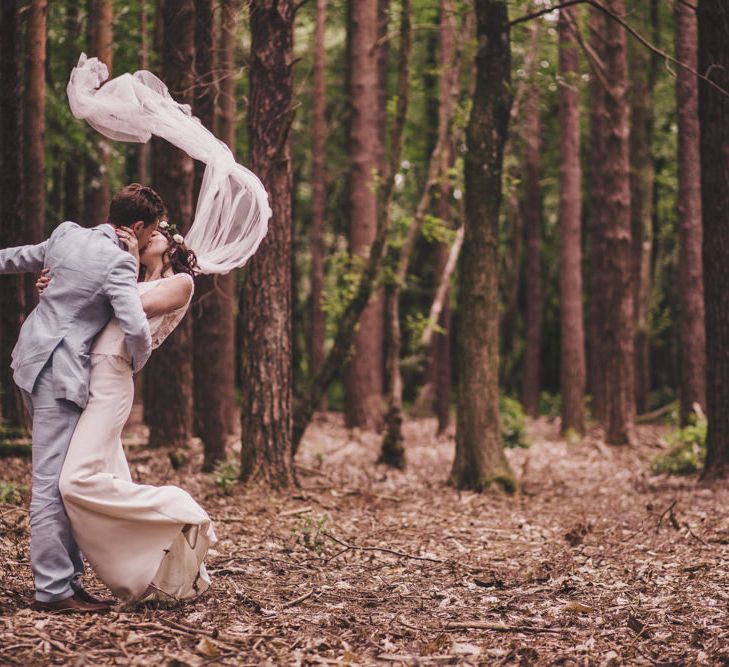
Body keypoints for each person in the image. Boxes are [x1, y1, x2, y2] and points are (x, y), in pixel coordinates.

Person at [0, 183, 162, 612]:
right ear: (138, 226)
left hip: (30, 361)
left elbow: (15, 257)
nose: (150, 241)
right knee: (53, 484)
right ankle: (54, 591)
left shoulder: (68, 233)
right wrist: (135, 366)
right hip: (60, 373)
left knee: (62, 478)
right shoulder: (117, 263)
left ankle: (68, 579)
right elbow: (136, 328)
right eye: (152, 232)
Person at [47, 223, 216, 606]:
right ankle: (148, 576)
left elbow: (131, 307)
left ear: (174, 246)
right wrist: (55, 289)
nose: (152, 234)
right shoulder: (129, 277)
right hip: (86, 380)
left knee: (74, 482)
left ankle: (181, 509)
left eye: (161, 232)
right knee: (108, 479)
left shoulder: (182, 283)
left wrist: (97, 274)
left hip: (112, 384)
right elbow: (95, 306)